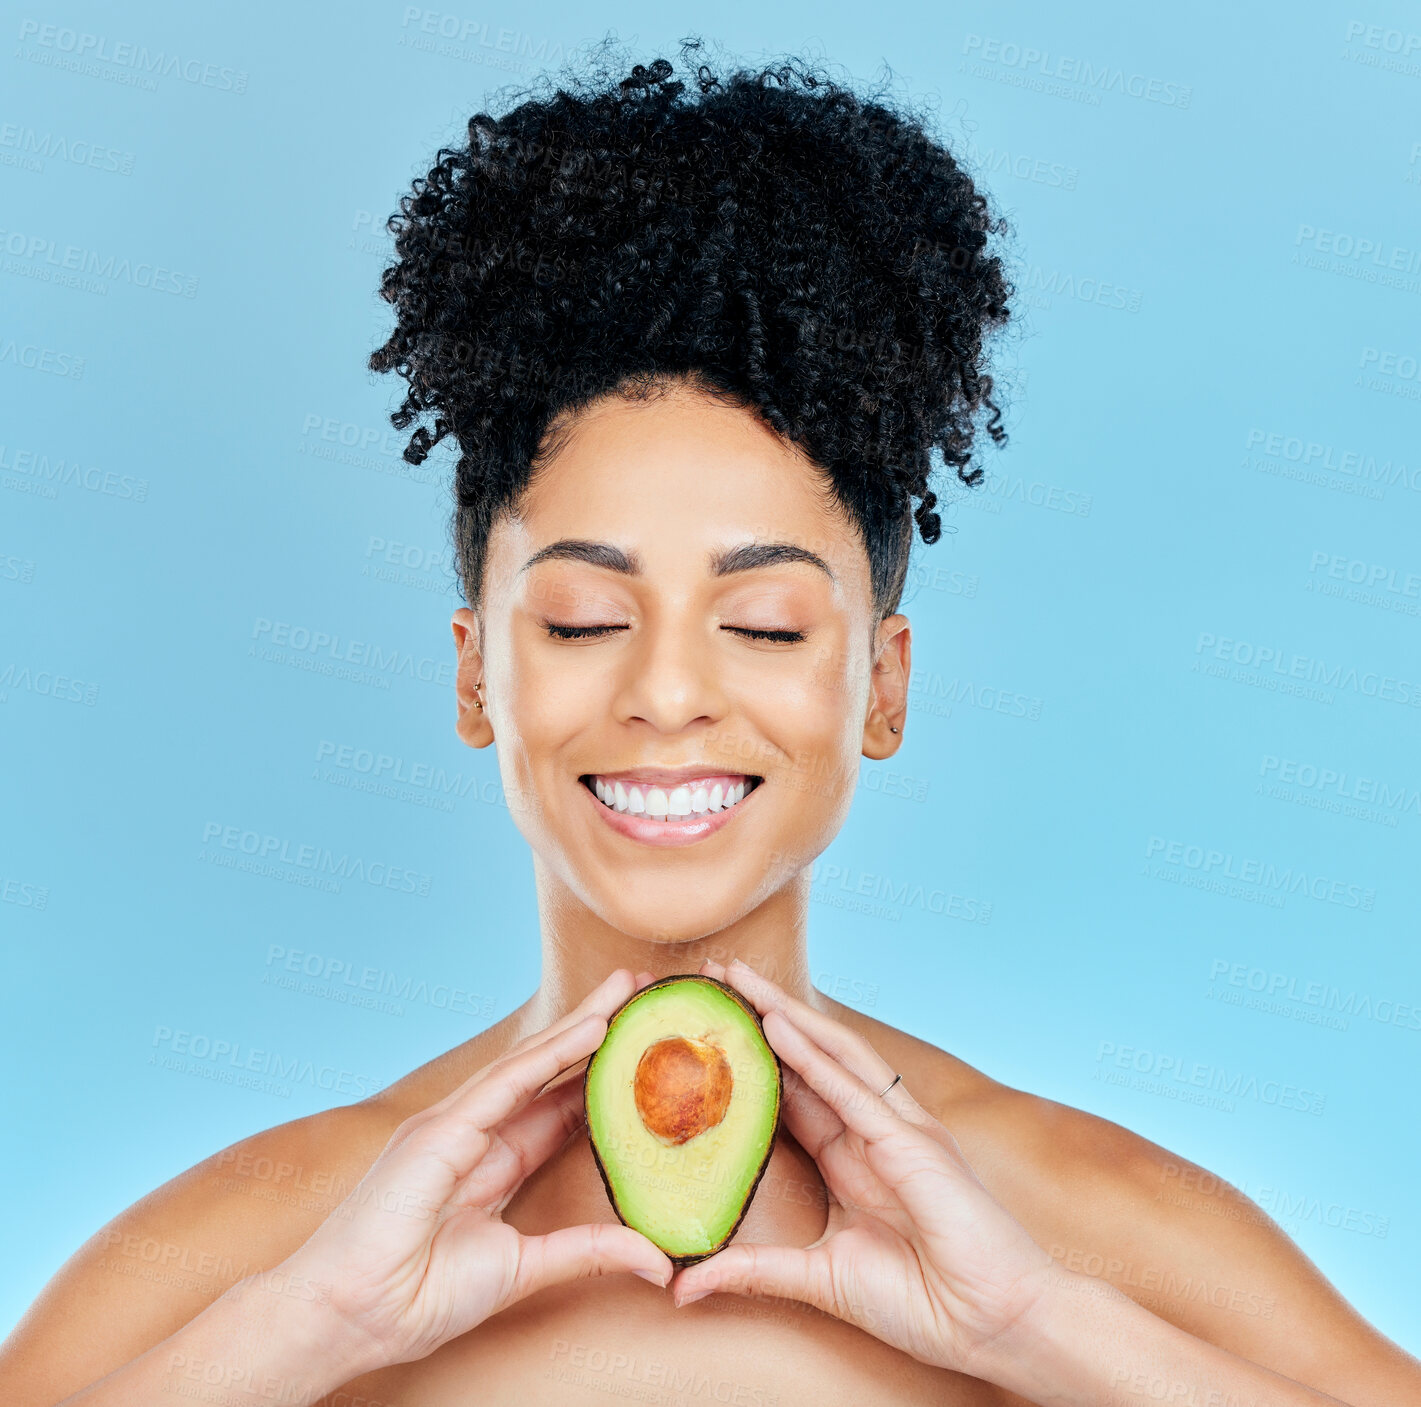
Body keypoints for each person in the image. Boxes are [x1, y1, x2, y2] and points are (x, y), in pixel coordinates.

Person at [3, 37, 1416, 1407]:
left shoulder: (1076, 1225)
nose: (668, 693)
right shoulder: (276, 1248)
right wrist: (309, 1332)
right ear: (475, 677)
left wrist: (1038, 1329)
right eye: (578, 621)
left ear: (880, 685)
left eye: (764, 626)